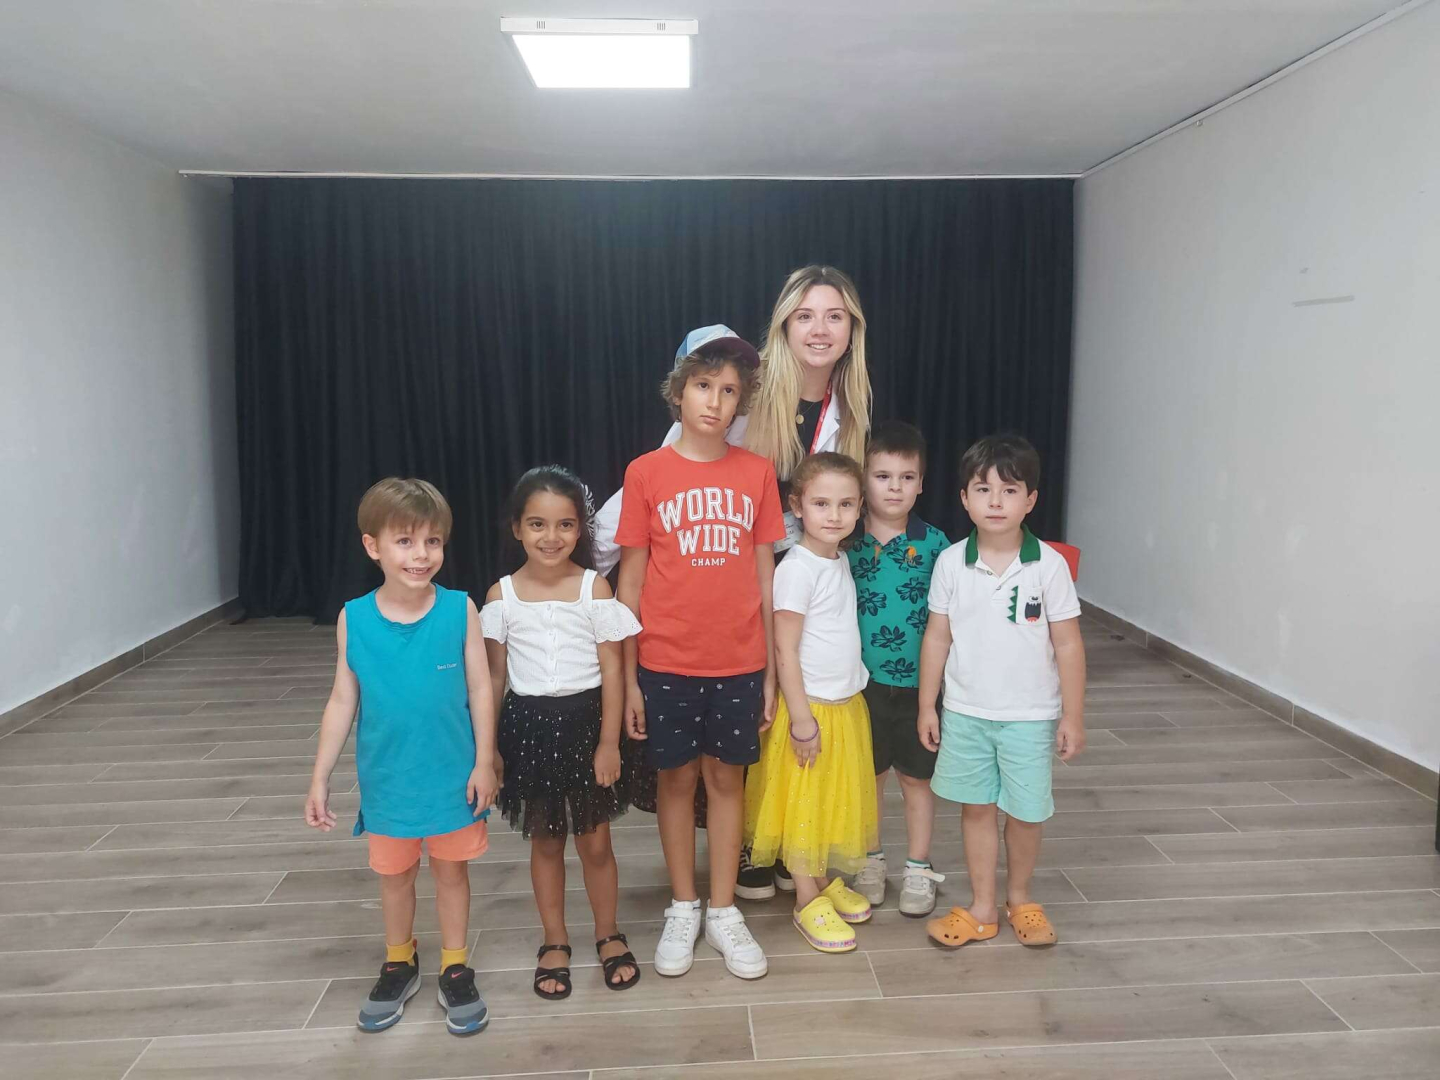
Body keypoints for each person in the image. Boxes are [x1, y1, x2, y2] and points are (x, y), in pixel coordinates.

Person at [615, 327, 785, 980]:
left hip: (739, 662)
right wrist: (629, 678)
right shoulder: (646, 472)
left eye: (729, 390)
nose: (715, 401)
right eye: (704, 386)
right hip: (665, 661)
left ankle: (723, 910)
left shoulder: (757, 473)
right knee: (675, 782)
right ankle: (683, 906)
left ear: (742, 402)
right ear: (678, 391)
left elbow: (767, 576)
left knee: (726, 782)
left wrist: (770, 669)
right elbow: (630, 582)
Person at [304, 478, 497, 1036]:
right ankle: (399, 960)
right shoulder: (354, 618)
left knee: (452, 872)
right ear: (373, 547)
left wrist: (485, 760)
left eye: (432, 541)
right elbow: (343, 699)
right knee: (394, 876)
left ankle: (455, 965)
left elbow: (481, 689)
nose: (421, 555)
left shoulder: (460, 609)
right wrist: (320, 777)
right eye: (405, 541)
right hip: (388, 781)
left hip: (453, 779)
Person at [917, 435, 1087, 949]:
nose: (995, 501)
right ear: (964, 498)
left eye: (1009, 490)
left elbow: (1069, 644)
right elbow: (937, 637)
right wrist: (928, 705)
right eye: (982, 489)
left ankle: (1021, 900)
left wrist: (1072, 716)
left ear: (1030, 500)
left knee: (1027, 811)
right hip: (965, 712)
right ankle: (983, 907)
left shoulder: (1048, 565)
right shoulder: (950, 562)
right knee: (976, 808)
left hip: (1030, 716)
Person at [593, 265, 874, 575]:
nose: (819, 330)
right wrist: (584, 573)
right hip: (721, 570)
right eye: (804, 316)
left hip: (798, 579)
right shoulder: (739, 387)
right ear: (784, 326)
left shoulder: (852, 408)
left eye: (834, 317)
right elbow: (656, 478)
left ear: (852, 329)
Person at [480, 466, 642, 1001]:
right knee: (546, 843)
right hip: (527, 731)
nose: (551, 537)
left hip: (587, 727)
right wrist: (490, 750)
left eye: (565, 525)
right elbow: (495, 679)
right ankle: (554, 939)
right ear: (517, 528)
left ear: (580, 530)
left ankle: (608, 932)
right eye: (538, 524)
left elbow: (613, 670)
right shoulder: (501, 595)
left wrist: (609, 742)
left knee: (595, 843)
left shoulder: (595, 587)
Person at [745, 453, 879, 952]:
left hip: (843, 704)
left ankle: (820, 879)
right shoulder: (797, 569)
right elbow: (784, 648)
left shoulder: (837, 559)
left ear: (860, 508)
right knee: (803, 803)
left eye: (846, 504)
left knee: (825, 802)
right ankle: (805, 897)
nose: (834, 515)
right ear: (797, 506)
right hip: (810, 709)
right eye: (821, 503)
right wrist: (801, 718)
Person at [846, 422, 950, 916]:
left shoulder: (937, 545)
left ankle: (918, 867)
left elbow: (947, 623)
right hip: (858, 686)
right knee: (869, 779)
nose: (894, 487)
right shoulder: (844, 541)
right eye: (883, 476)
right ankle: (870, 861)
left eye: (907, 477)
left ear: (921, 484)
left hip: (919, 688)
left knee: (916, 780)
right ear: (864, 479)